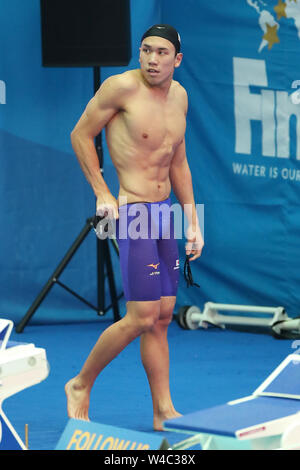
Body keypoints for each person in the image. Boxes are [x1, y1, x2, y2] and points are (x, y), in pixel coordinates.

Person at [65, 24, 204, 431]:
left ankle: (163, 410)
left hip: (165, 213)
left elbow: (177, 161)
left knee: (162, 317)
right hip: (133, 211)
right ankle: (80, 383)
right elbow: (80, 134)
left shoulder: (180, 96)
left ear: (177, 60)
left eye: (162, 53)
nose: (152, 60)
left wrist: (192, 219)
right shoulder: (119, 89)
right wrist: (102, 193)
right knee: (142, 316)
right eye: (146, 51)